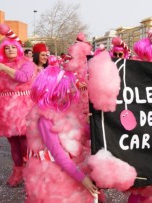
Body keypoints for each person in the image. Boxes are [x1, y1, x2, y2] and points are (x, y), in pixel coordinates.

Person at [24, 65, 101, 202]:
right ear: (55, 90)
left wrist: (101, 125)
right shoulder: (44, 118)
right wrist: (82, 178)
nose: (73, 89)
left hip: (73, 165)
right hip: (55, 173)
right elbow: (57, 152)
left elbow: (85, 132)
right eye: (68, 87)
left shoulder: (68, 110)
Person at [0, 23, 36, 187]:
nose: (11, 50)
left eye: (14, 47)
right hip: (7, 111)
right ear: (3, 50)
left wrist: (3, 67)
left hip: (24, 109)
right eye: (7, 48)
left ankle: (32, 172)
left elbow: (23, 78)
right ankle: (18, 172)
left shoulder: (27, 63)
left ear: (18, 49)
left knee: (27, 142)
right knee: (13, 143)